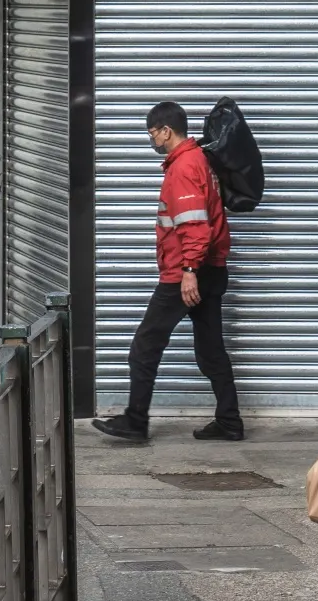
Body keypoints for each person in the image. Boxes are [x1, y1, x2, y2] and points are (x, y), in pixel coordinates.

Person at [90, 101, 240, 443]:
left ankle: (135, 421)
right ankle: (230, 421)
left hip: (186, 274)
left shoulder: (184, 167)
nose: (151, 139)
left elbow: (195, 227)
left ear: (165, 132)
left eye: (151, 133)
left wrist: (188, 270)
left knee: (144, 346)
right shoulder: (198, 160)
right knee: (211, 351)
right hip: (210, 269)